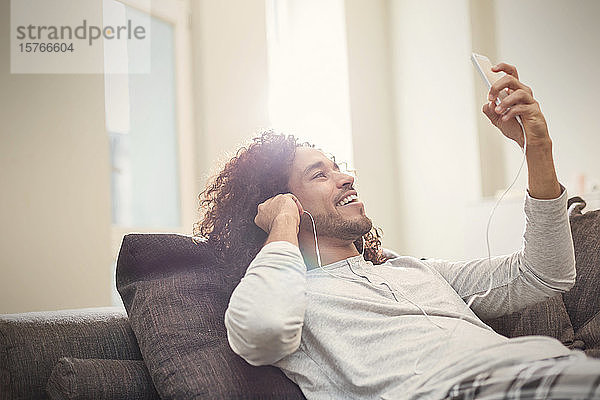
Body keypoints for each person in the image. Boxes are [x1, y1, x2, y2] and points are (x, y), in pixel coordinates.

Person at [194, 63, 600, 399]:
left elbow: (547, 274)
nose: (347, 177)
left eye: (339, 166)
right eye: (320, 175)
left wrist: (537, 148)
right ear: (280, 201)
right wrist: (283, 220)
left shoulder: (412, 271)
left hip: (550, 370)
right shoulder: (290, 297)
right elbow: (261, 332)